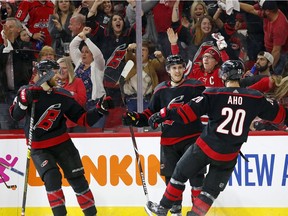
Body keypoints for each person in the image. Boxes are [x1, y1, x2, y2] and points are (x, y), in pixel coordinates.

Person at [146, 60, 286, 216]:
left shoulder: (214, 94)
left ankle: (163, 208)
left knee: (179, 173)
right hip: (228, 156)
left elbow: (186, 114)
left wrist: (163, 114)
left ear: (224, 75)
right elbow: (280, 116)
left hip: (204, 149)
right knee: (209, 193)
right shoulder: (255, 98)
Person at [9, 59, 114, 216]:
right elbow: (15, 116)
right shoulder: (28, 92)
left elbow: (83, 119)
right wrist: (23, 102)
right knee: (52, 177)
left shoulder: (62, 95)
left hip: (62, 143)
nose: (60, 76)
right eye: (56, 72)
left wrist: (100, 109)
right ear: (45, 74)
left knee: (78, 179)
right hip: (39, 147)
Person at [122, 55, 206, 215]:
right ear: (168, 70)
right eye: (174, 68)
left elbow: (202, 107)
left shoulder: (195, 87)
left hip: (193, 139)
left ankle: (197, 213)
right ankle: (176, 213)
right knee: (173, 182)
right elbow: (149, 114)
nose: (177, 70)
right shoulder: (161, 89)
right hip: (169, 144)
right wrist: (134, 118)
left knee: (197, 179)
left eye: (180, 67)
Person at [0, 17, 34, 129]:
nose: (7, 30)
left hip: (21, 94)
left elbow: (24, 61)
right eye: (6, 27)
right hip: (4, 95)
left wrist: (11, 44)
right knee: (6, 126)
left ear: (19, 29)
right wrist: (7, 45)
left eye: (11, 27)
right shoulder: (2, 48)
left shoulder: (26, 46)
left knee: (23, 126)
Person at [239, 0, 288, 75]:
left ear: (268, 11)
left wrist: (268, 69)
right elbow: (251, 9)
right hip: (268, 49)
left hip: (280, 55)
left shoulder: (279, 26)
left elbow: (276, 51)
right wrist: (234, 3)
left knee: (273, 77)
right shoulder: (270, 13)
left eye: (262, 9)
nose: (260, 11)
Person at [121, 41, 163, 112]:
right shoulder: (131, 64)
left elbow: (161, 66)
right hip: (132, 100)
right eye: (139, 50)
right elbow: (128, 57)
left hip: (147, 100)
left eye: (143, 50)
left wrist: (161, 57)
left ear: (148, 52)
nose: (141, 52)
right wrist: (129, 49)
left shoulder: (152, 63)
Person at [57, 56, 87, 132]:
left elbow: (82, 102)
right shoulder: (51, 85)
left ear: (69, 69)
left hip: (76, 124)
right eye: (59, 68)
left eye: (64, 68)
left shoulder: (77, 82)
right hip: (58, 125)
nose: (61, 71)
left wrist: (70, 93)